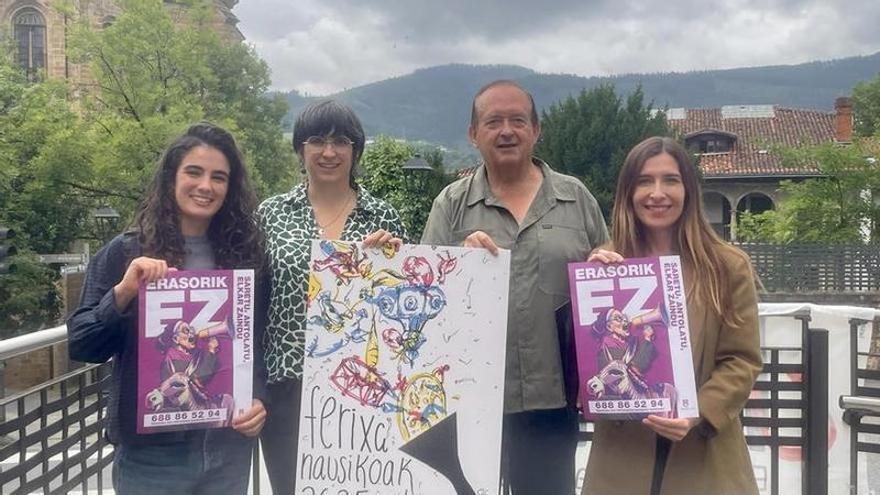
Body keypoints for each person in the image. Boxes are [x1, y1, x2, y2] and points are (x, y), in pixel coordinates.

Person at [421, 80, 609, 494]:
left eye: (518, 120)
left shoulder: (575, 198)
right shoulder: (450, 204)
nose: (506, 130)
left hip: (554, 398)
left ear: (536, 130)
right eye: (493, 122)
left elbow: (607, 269)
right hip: (473, 399)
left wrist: (604, 266)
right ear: (473, 134)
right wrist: (458, 263)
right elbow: (426, 297)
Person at [67, 123, 267, 495]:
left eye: (218, 177)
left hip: (227, 452)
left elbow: (258, 344)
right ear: (171, 178)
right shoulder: (127, 251)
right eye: (194, 172)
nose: (205, 186)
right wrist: (124, 292)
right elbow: (82, 343)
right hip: (152, 461)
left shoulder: (245, 256)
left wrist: (258, 399)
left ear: (230, 187)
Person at [583, 136, 762, 495]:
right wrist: (589, 292)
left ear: (688, 190)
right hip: (622, 458)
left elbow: (742, 360)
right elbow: (587, 357)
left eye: (670, 180)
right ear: (628, 192)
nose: (657, 193)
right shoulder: (606, 264)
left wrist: (699, 412)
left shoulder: (727, 266)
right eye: (644, 181)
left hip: (703, 456)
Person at [257, 99, 407, 494]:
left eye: (341, 141)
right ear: (299, 148)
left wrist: (392, 260)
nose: (329, 152)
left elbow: (401, 306)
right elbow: (253, 303)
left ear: (356, 151)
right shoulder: (271, 214)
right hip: (286, 386)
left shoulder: (384, 216)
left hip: (362, 386)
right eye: (317, 141)